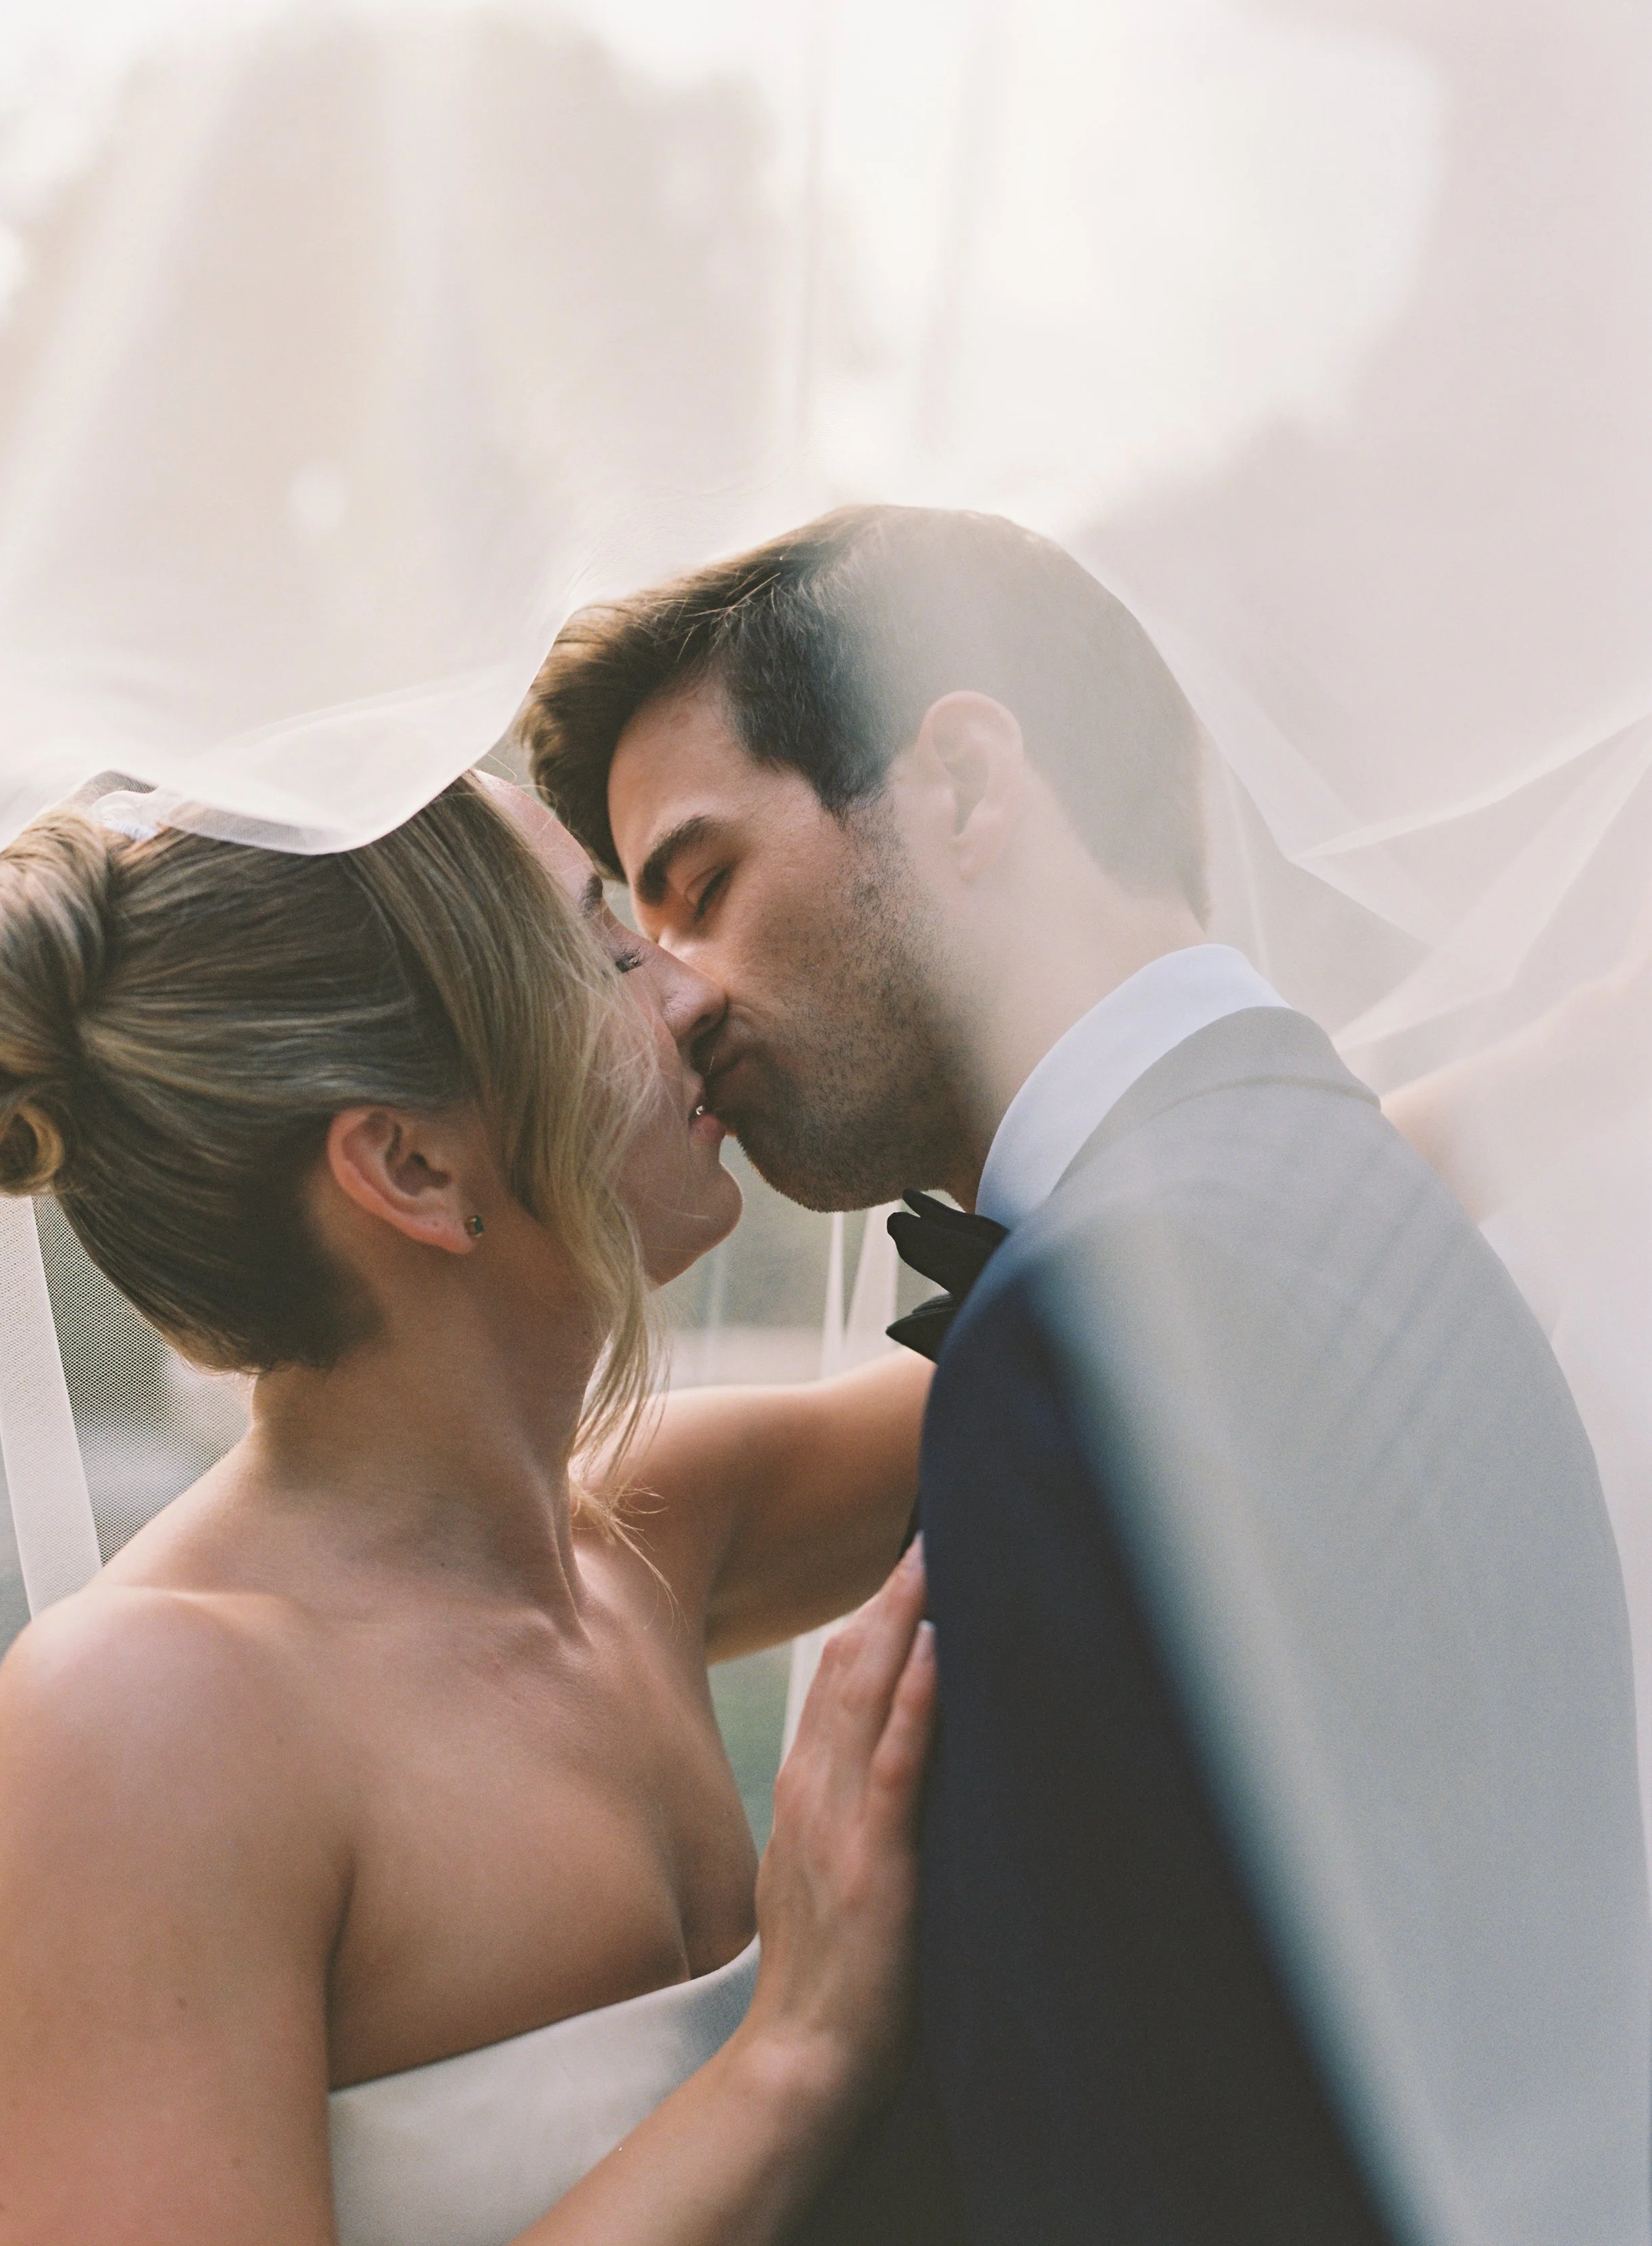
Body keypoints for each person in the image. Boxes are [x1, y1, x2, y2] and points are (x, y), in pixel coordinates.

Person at [520, 502, 1652, 2245]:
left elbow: (1114, 2147)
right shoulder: (1326, 1192)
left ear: (964, 785)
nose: (675, 1006)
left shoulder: (1079, 1333)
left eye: (705, 888)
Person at [0, 773, 938, 2246]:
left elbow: (1139, 1326)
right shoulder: (144, 1718)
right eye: (608, 950)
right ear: (413, 1166)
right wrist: (790, 2053)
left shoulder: (648, 1535)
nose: (689, 993)